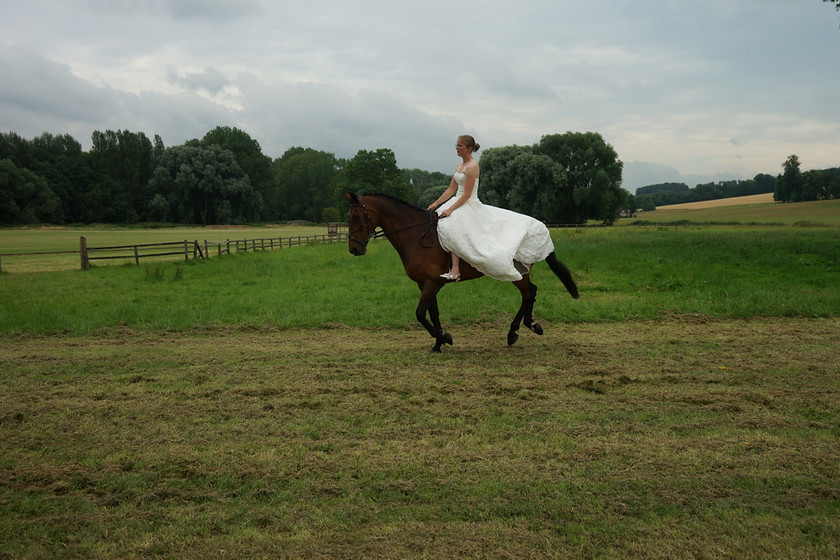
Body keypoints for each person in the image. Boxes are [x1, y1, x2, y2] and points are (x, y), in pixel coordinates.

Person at [427, 134, 555, 282]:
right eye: (456, 145)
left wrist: (450, 210)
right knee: (438, 221)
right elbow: (451, 189)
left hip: (468, 202)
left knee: (453, 225)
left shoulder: (472, 166)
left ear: (468, 149)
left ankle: (455, 269)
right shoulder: (459, 166)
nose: (456, 148)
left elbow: (467, 194)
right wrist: (436, 203)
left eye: (459, 146)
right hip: (457, 200)